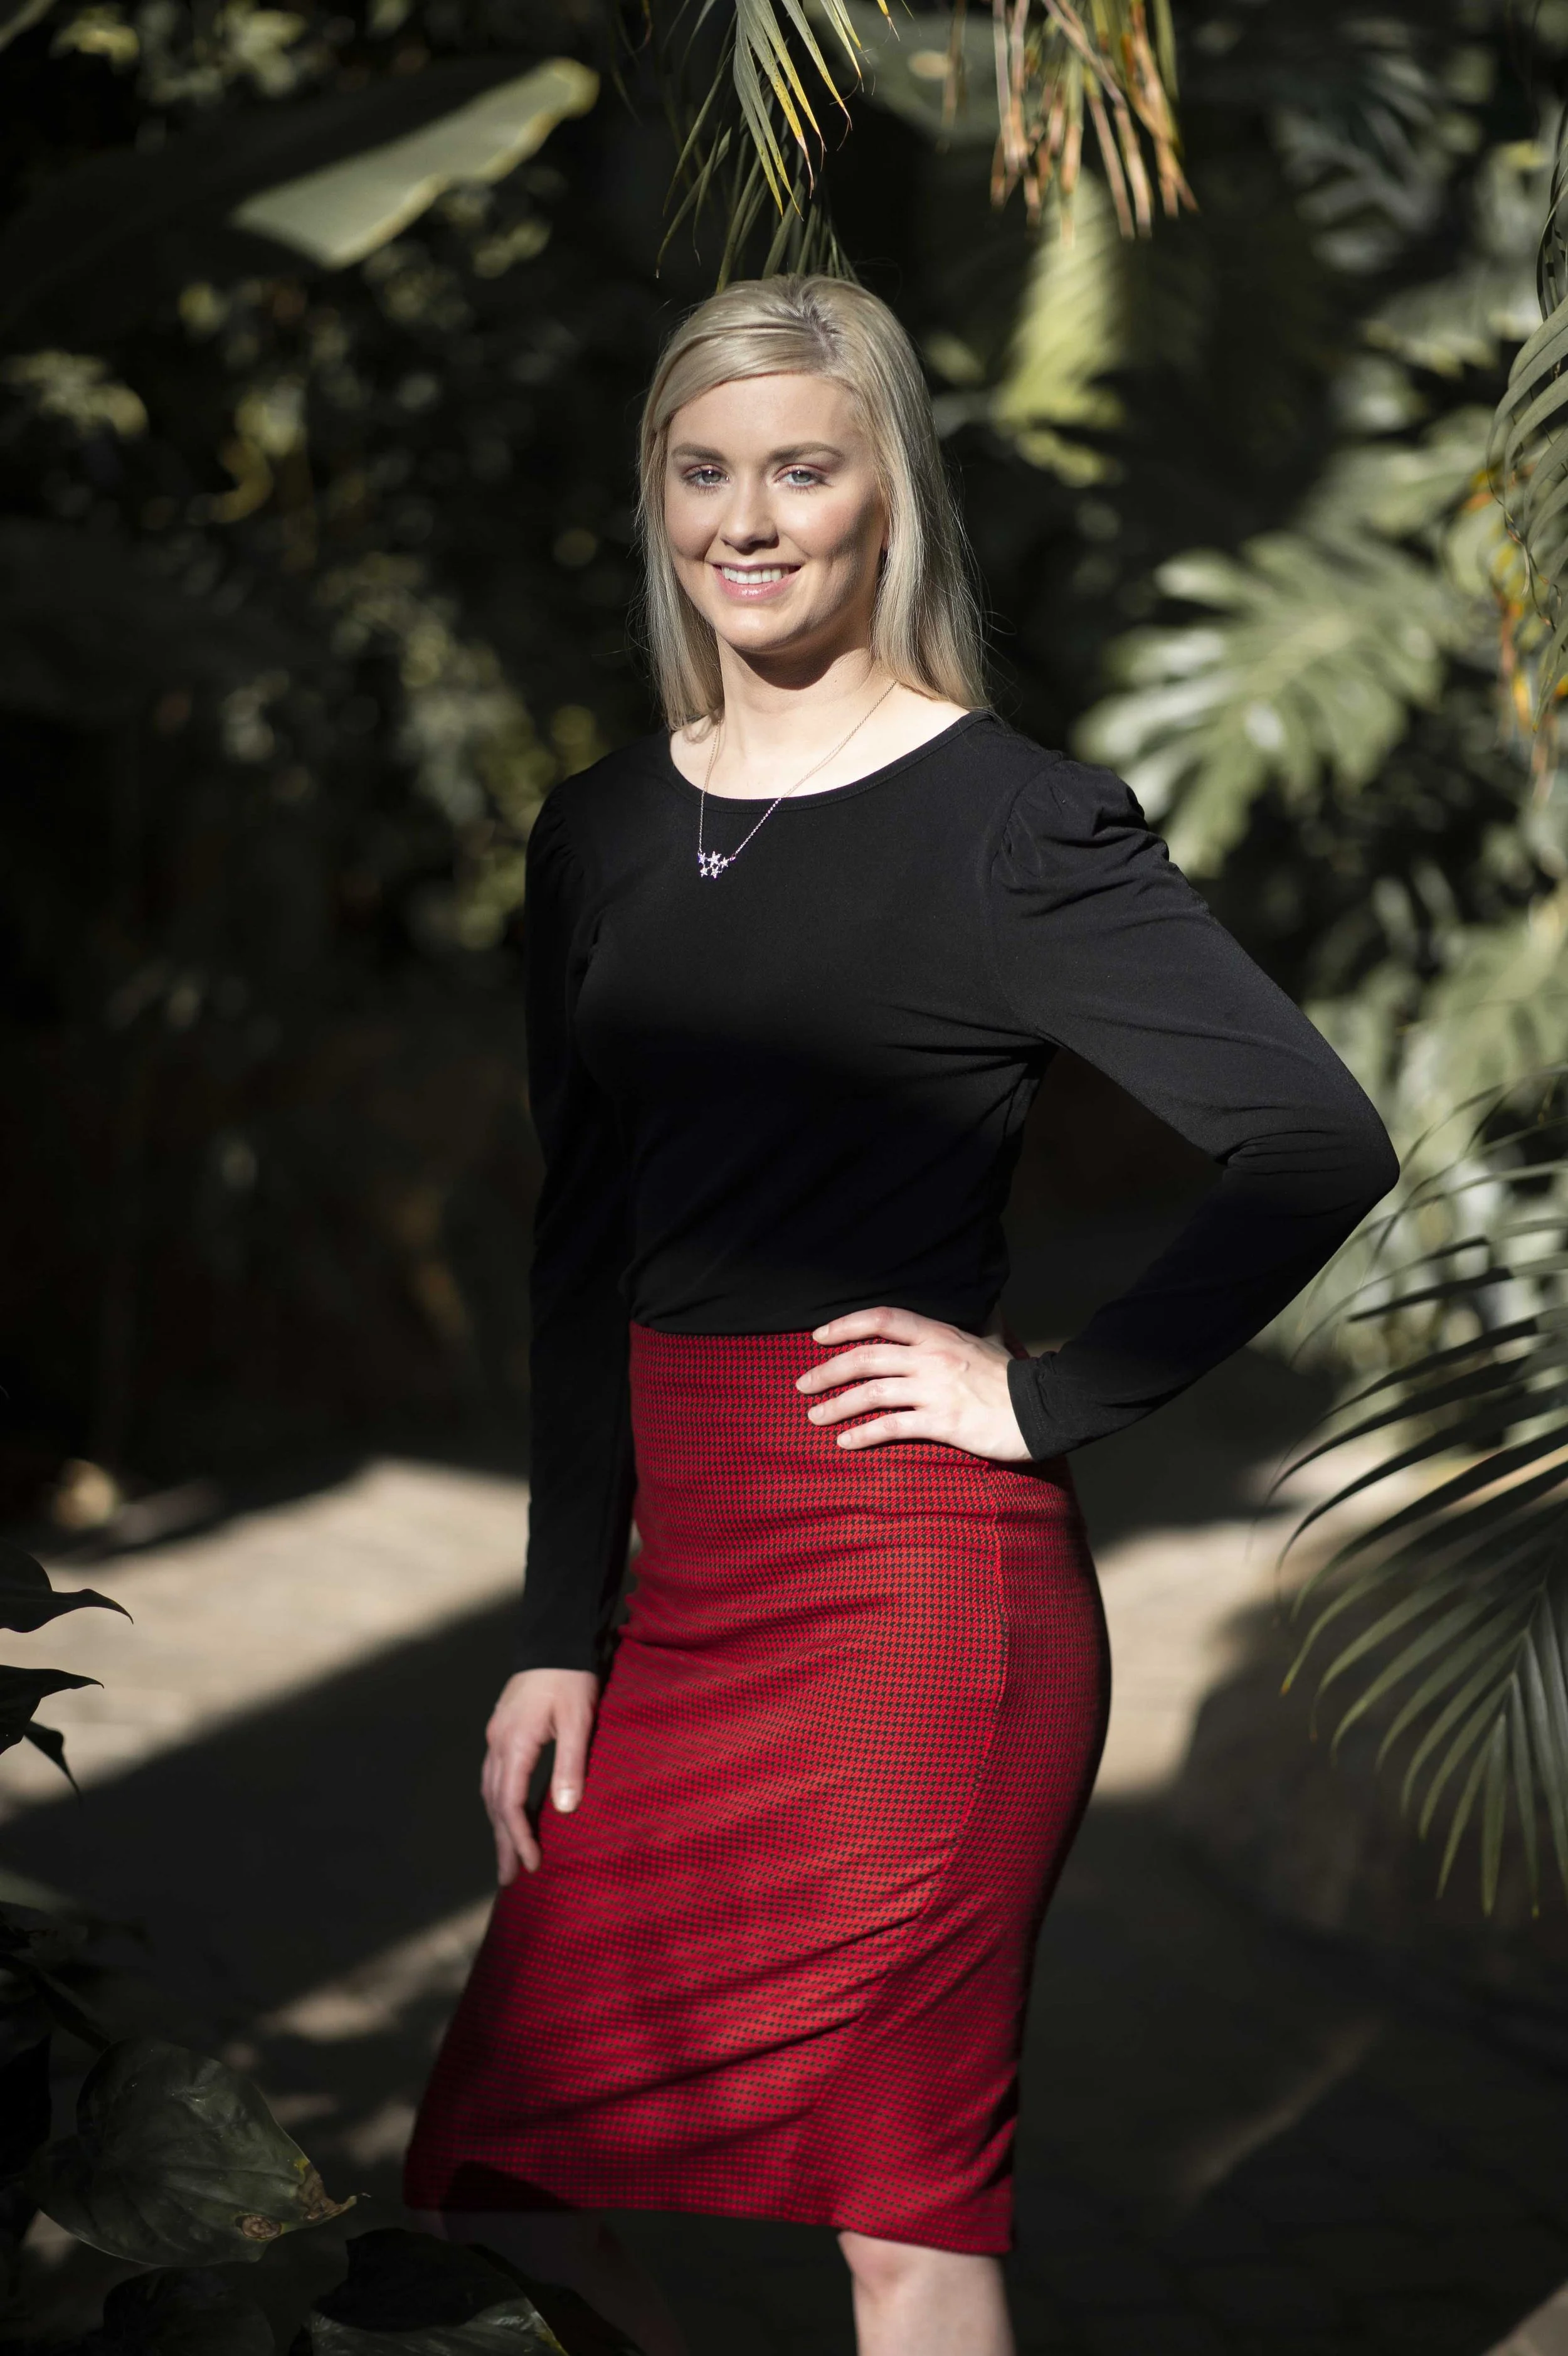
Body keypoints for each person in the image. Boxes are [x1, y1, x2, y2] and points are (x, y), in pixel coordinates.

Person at [403, 272, 1398, 2356]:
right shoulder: (596, 832)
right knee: (504, 2176)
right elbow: (581, 1259)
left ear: (888, 504)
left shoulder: (1008, 824)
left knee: (898, 2216)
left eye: (801, 470)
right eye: (703, 472)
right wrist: (551, 1629)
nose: (747, 520)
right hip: (679, 1601)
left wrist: (1052, 1400)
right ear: (655, 498)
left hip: (913, 1598)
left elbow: (1307, 1135)